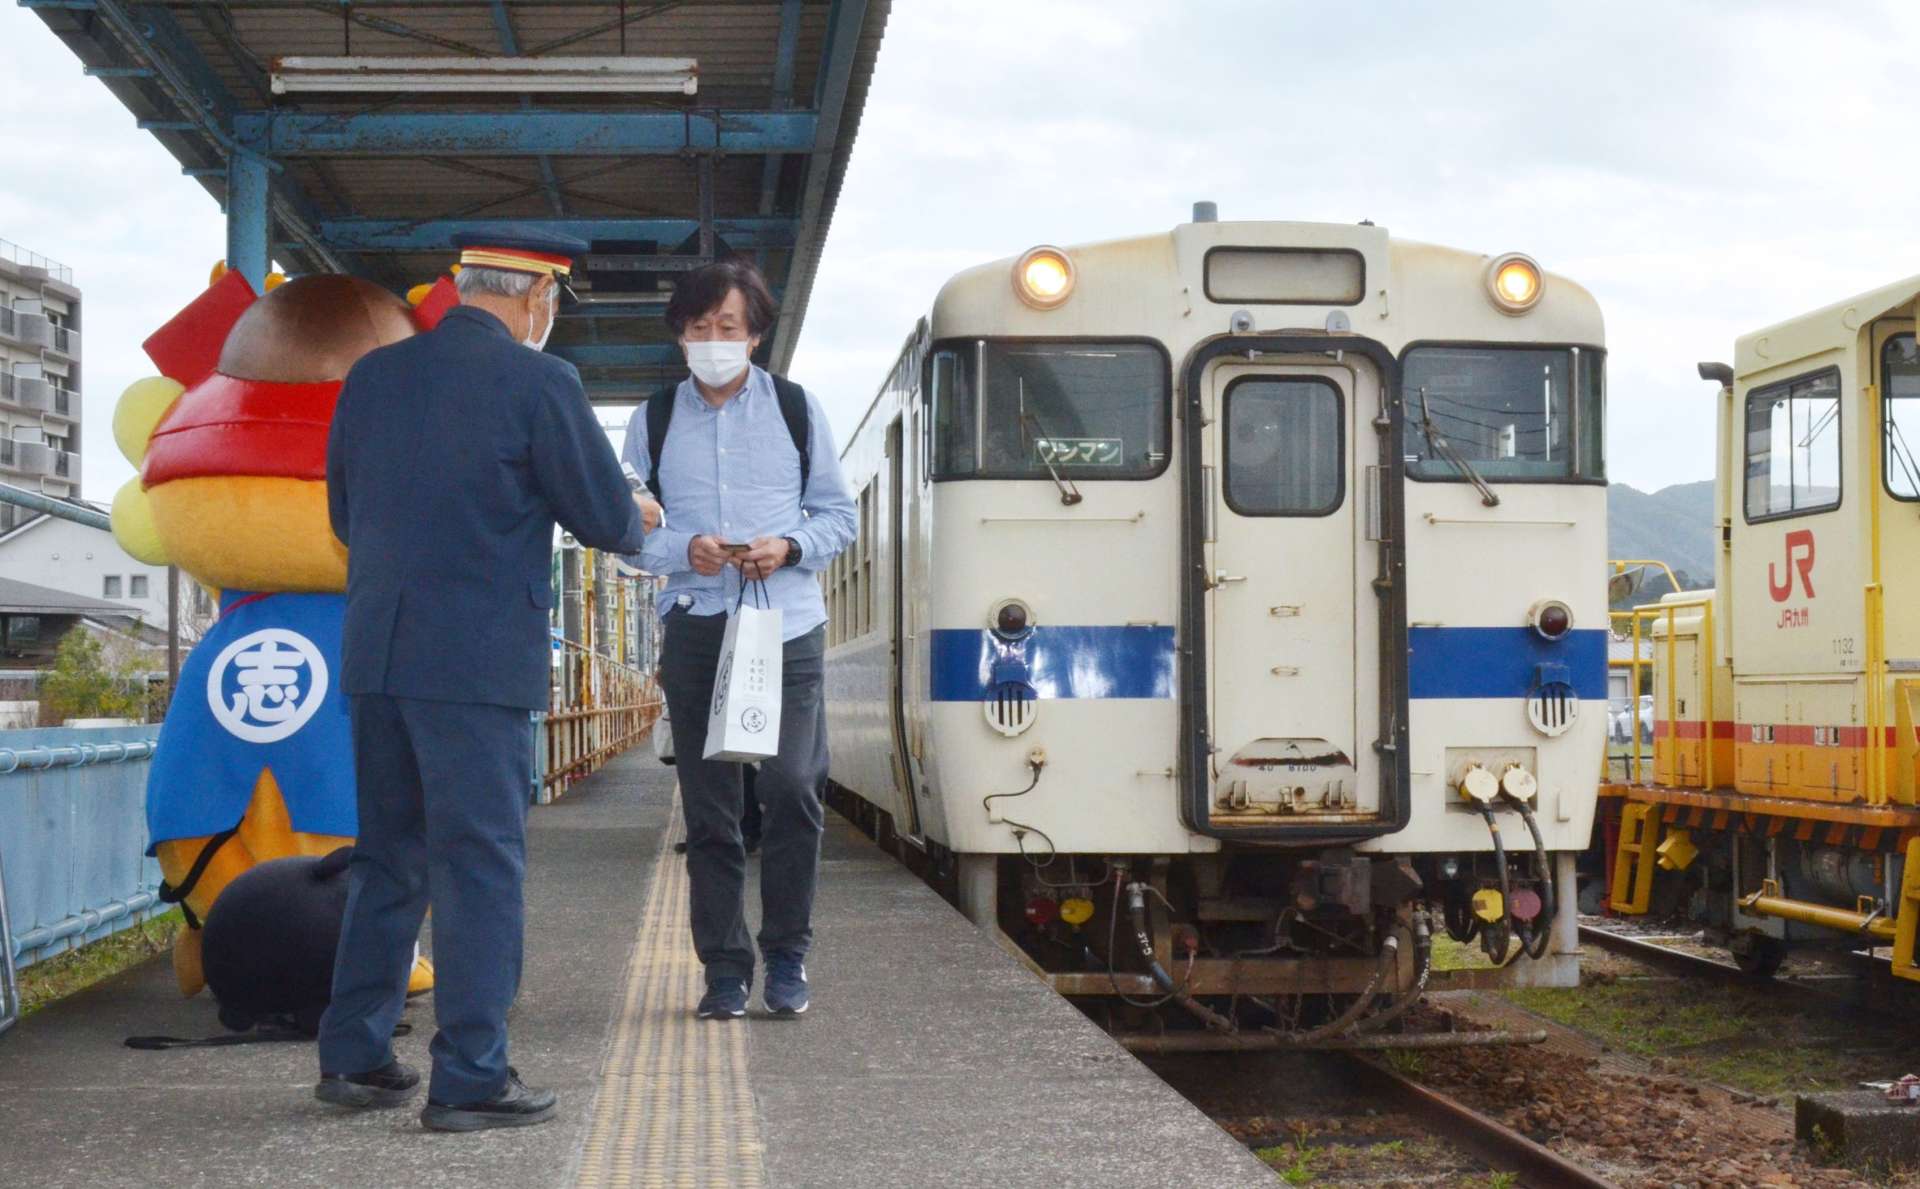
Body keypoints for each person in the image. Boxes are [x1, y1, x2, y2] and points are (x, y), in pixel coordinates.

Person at [315, 228, 661, 1131]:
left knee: (388, 857)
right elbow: (601, 516)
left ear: (464, 287)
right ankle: (470, 1074)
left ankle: (353, 1055)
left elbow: (346, 517)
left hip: (378, 659)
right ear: (538, 300)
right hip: (472, 666)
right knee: (479, 865)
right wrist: (639, 512)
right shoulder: (541, 382)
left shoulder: (372, 377)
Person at [624, 258, 855, 1020]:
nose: (713, 339)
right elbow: (625, 525)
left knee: (792, 788)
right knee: (711, 808)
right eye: (699, 328)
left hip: (784, 628)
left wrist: (787, 545)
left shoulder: (795, 409)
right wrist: (677, 549)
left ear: (755, 334)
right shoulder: (652, 420)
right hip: (697, 629)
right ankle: (725, 968)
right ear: (680, 336)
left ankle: (788, 954)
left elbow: (838, 517)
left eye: (728, 326)